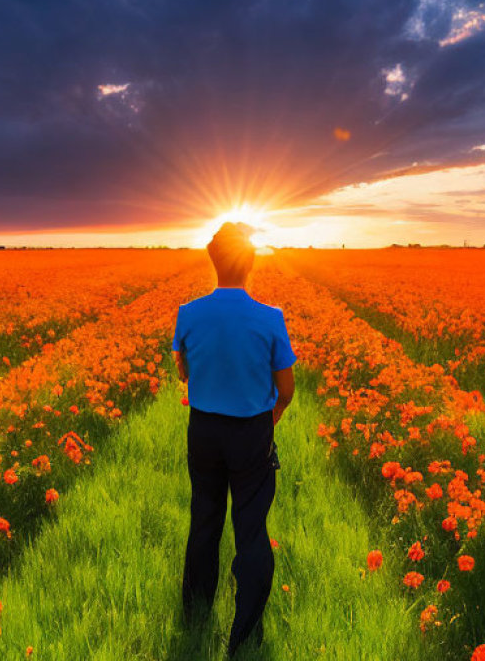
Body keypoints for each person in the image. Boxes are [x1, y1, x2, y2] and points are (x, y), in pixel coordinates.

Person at [171, 221, 297, 657]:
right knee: (251, 528)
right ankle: (245, 631)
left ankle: (195, 612)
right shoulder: (271, 317)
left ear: (212, 259)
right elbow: (286, 389)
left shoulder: (188, 314)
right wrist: (270, 418)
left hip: (203, 430)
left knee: (204, 517)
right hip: (252, 432)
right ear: (251, 261)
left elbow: (183, 371)